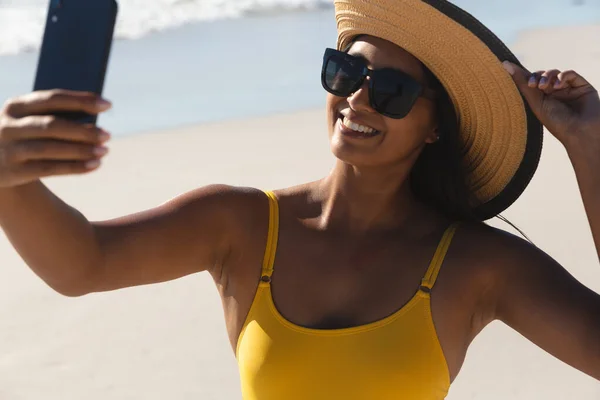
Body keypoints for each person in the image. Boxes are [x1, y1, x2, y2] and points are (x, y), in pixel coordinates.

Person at [0, 0, 599, 398]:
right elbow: (82, 264)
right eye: (346, 73)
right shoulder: (240, 225)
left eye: (391, 91)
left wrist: (588, 146)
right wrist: (10, 178)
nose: (357, 100)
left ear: (436, 127)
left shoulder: (477, 264)